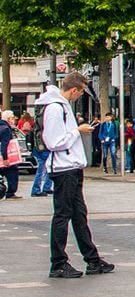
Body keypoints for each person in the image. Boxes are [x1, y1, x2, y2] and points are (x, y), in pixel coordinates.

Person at [39, 73, 114, 278]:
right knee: (63, 215)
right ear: (74, 90)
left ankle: (92, 259)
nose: (79, 97)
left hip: (70, 168)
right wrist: (77, 131)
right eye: (80, 93)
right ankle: (58, 263)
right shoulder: (56, 108)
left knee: (79, 215)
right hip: (64, 168)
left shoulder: (61, 106)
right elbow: (54, 142)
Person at [0, 111, 22, 199]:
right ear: (8, 119)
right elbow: (5, 144)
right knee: (13, 172)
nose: (14, 120)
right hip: (5, 156)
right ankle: (11, 192)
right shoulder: (6, 129)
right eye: (12, 118)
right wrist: (5, 158)